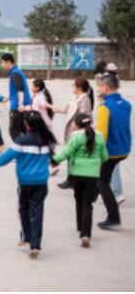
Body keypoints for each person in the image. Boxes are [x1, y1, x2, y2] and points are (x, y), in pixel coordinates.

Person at [0, 111, 57, 259]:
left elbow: (6, 157)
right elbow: (53, 158)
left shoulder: (22, 141)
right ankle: (35, 245)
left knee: (23, 208)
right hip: (41, 182)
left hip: (25, 182)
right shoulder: (46, 140)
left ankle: (27, 237)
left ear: (26, 124)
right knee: (38, 212)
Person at [53, 113, 108, 247]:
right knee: (87, 204)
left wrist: (54, 160)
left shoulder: (76, 136)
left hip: (77, 174)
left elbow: (67, 152)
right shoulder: (99, 136)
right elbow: (105, 156)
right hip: (93, 175)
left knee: (79, 200)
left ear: (77, 125)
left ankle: (80, 226)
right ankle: (86, 234)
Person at [96, 74, 131, 229]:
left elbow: (102, 135)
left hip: (111, 151)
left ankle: (113, 217)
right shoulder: (127, 104)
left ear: (105, 87)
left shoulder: (104, 107)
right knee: (105, 176)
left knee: (102, 181)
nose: (99, 89)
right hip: (124, 148)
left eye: (100, 86)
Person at [51, 78, 94, 189]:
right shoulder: (76, 98)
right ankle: (71, 180)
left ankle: (73, 181)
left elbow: (85, 117)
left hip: (77, 133)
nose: (72, 88)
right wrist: (51, 108)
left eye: (73, 85)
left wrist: (77, 128)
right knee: (71, 156)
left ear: (78, 88)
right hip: (71, 132)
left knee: (74, 157)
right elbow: (67, 110)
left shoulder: (84, 100)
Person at [0, 53, 31, 141]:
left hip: (18, 107)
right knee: (24, 129)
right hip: (23, 105)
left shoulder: (15, 73)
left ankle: (20, 147)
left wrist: (20, 104)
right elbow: (16, 89)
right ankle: (28, 146)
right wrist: (8, 98)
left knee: (13, 130)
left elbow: (20, 90)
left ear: (8, 62)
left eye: (2, 62)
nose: (2, 65)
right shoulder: (16, 72)